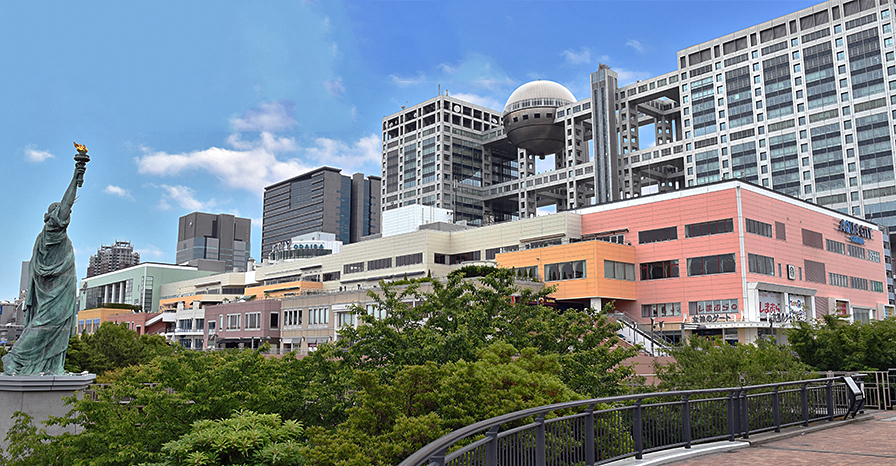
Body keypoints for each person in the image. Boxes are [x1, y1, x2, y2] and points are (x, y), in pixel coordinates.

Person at [3, 161, 86, 375]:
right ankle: (14, 358)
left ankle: (53, 365)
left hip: (61, 286)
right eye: (61, 212)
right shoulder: (52, 231)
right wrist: (76, 176)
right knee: (44, 324)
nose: (66, 215)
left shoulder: (46, 236)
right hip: (54, 289)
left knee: (59, 326)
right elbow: (67, 204)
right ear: (54, 217)